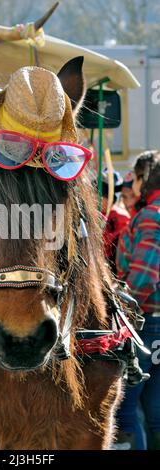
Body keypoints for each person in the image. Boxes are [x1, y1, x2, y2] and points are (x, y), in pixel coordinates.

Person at [115, 150, 160, 450]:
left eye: (136, 177)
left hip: (145, 324)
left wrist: (122, 311)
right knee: (155, 409)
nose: (132, 185)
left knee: (126, 411)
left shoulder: (151, 215)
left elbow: (144, 275)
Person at [101, 169, 130, 273]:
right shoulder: (91, 212)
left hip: (111, 265)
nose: (99, 198)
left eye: (104, 195)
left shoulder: (120, 216)